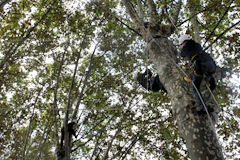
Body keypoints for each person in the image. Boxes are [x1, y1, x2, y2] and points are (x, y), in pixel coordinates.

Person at [178, 34, 216, 113]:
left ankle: (203, 107)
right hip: (210, 63)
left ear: (184, 42)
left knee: (195, 88)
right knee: (207, 72)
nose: (182, 46)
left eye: (182, 44)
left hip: (199, 65)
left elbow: (182, 54)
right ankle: (210, 79)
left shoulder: (187, 47)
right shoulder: (197, 45)